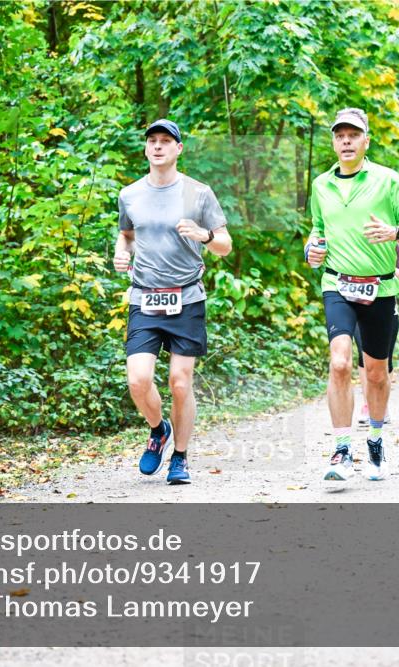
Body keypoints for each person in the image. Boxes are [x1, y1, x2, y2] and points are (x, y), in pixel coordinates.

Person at [305, 108, 399, 482]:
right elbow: (317, 231)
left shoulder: (388, 181)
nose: (345, 141)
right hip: (337, 284)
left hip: (381, 287)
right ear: (333, 141)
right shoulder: (321, 185)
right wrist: (312, 251)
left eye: (353, 135)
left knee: (375, 372)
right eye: (339, 135)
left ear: (365, 141)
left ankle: (374, 439)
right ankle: (342, 449)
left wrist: (394, 233)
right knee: (340, 362)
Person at [114, 119, 232, 484]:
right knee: (138, 379)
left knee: (180, 382)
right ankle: (158, 429)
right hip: (145, 298)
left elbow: (225, 246)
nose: (159, 146)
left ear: (179, 149)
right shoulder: (129, 194)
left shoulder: (198, 193)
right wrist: (122, 253)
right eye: (153, 141)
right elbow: (127, 235)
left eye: (167, 141)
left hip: (187, 298)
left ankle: (180, 457)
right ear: (146, 148)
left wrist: (205, 234)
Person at [356, 244, 399, 425]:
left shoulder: (393, 245)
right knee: (363, 357)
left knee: (385, 360)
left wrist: (384, 264)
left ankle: (382, 405)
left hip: (387, 312)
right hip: (358, 308)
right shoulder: (352, 240)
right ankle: (368, 405)